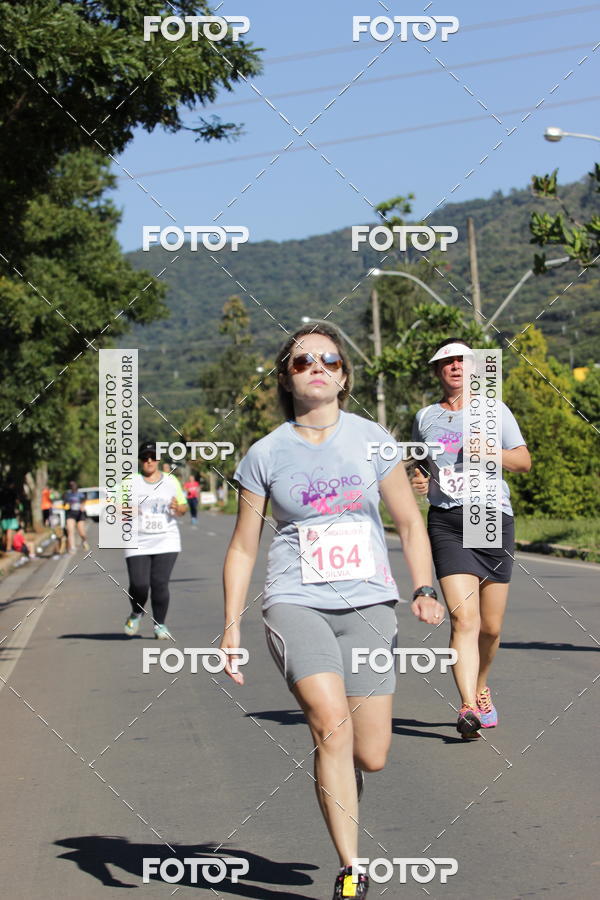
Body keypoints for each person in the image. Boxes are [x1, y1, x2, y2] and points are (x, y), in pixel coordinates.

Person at [221, 325, 444, 900]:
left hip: (369, 602)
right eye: (302, 362)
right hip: (295, 601)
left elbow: (411, 523)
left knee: (371, 753)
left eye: (329, 359)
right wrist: (229, 627)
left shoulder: (373, 440)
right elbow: (245, 546)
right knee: (329, 725)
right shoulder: (264, 454)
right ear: (287, 378)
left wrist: (423, 587)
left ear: (344, 376)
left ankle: (342, 783)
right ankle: (352, 868)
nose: (316, 366)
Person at [411, 338, 531, 739]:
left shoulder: (493, 410)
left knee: (491, 628)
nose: (455, 366)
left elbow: (523, 461)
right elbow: (422, 466)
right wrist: (420, 479)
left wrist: (491, 453)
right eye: (446, 362)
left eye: (461, 360)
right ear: (437, 371)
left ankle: (481, 685)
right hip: (447, 520)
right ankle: (466, 706)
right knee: (465, 618)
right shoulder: (425, 416)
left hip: (490, 517)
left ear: (474, 368)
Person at [123, 442, 188, 640]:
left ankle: (160, 624)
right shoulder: (130, 482)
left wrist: (178, 508)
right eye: (145, 457)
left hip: (166, 538)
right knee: (139, 584)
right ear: (140, 461)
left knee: (159, 583)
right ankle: (136, 612)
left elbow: (183, 508)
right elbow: (114, 505)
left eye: (152, 456)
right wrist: (126, 509)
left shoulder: (171, 481)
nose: (149, 461)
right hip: (137, 539)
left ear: (158, 459)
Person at [63, 480, 89, 554]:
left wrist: (82, 506)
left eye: (74, 486)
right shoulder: (68, 494)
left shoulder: (80, 494)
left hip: (79, 514)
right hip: (70, 514)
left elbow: (84, 501)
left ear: (76, 487)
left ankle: (84, 540)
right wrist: (66, 504)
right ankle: (72, 547)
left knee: (81, 532)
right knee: (70, 530)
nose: (73, 487)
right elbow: (64, 503)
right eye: (71, 486)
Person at [0, 479, 19, 553]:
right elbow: (17, 502)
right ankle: (8, 548)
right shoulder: (12, 492)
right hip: (11, 514)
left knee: (5, 531)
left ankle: (5, 546)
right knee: (10, 530)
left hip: (3, 515)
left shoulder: (1, 492)